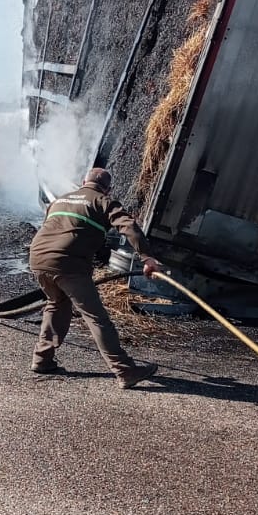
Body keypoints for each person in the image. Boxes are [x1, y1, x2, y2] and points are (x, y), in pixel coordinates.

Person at [29, 166, 161, 389]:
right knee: (96, 317)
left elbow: (52, 228)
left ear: (83, 182)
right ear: (108, 189)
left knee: (56, 303)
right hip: (69, 263)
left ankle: (42, 359)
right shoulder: (103, 201)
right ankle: (124, 370)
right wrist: (147, 257)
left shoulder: (60, 200)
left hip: (38, 258)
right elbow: (127, 225)